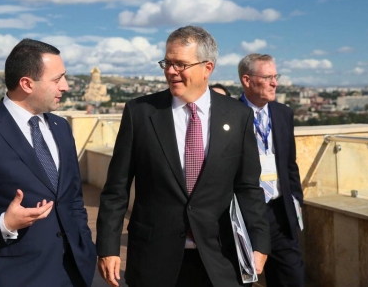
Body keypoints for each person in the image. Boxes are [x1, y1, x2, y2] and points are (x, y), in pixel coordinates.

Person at [96, 25, 270, 287]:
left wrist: (259, 242)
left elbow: (248, 188)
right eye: (167, 62)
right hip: (154, 258)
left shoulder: (237, 116)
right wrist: (108, 246)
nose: (170, 71)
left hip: (219, 257)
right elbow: (116, 188)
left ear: (207, 68)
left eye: (180, 64)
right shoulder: (140, 113)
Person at [0, 39, 97, 287]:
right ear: (27, 83)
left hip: (74, 271)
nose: (66, 86)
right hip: (15, 275)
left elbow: (73, 198)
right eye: (57, 79)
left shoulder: (61, 128)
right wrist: (4, 223)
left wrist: (85, 244)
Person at [238, 53, 304, 286]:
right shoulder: (228, 115)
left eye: (275, 76)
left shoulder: (283, 113)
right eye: (267, 77)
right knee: (242, 278)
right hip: (244, 214)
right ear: (247, 80)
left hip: (280, 213)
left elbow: (290, 164)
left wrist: (296, 200)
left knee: (291, 278)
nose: (275, 83)